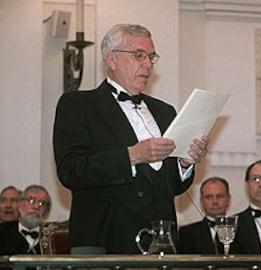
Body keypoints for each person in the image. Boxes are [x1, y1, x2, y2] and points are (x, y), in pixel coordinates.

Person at [53, 23, 208, 254]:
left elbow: (171, 187)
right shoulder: (78, 105)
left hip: (161, 244)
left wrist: (184, 164)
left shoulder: (165, 111)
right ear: (111, 59)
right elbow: (71, 170)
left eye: (151, 57)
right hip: (105, 241)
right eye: (138, 56)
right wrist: (132, 156)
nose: (147, 64)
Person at [178, 176, 231, 254]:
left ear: (228, 199)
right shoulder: (187, 233)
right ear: (201, 201)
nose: (215, 202)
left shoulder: (241, 231)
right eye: (209, 197)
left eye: (219, 196)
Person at [0, 185, 51, 255]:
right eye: (31, 200)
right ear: (20, 204)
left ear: (47, 211)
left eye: (42, 203)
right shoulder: (2, 231)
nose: (36, 206)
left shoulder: (52, 236)